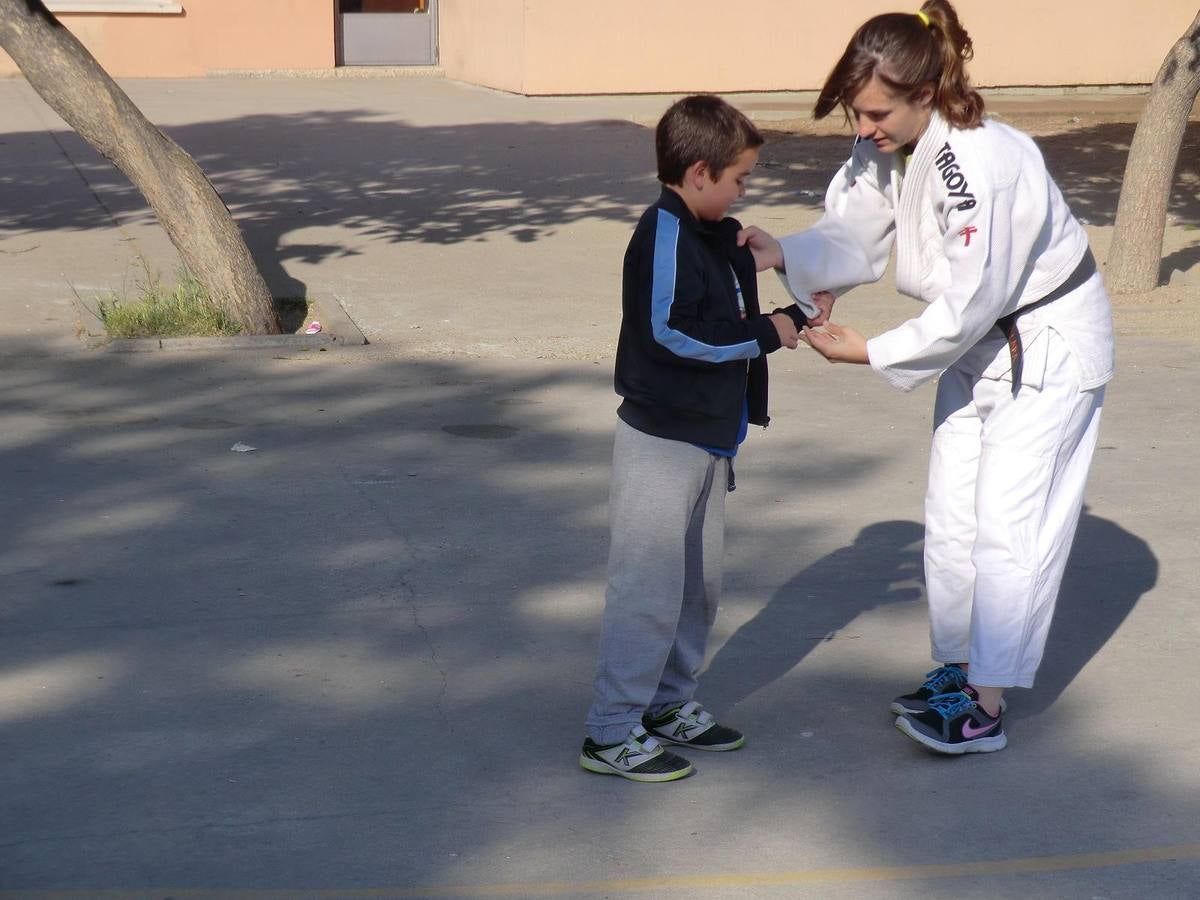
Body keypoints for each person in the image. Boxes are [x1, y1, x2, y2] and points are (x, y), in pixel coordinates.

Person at [739, 0, 1114, 754]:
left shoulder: (982, 161)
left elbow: (975, 296)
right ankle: (958, 670)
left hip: (1045, 344)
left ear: (927, 92)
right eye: (856, 111)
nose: (863, 126)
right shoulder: (888, 143)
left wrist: (873, 351)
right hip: (973, 342)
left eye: (877, 112)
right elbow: (856, 228)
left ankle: (986, 707)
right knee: (950, 518)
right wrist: (789, 255)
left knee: (1007, 527)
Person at [580, 94, 806, 782]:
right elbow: (669, 332)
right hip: (661, 442)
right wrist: (767, 333)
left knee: (695, 590)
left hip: (711, 440)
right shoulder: (664, 232)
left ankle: (666, 703)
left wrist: (794, 313)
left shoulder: (715, 233)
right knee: (647, 588)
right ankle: (611, 731)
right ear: (701, 172)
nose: (744, 191)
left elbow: (730, 317)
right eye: (739, 178)